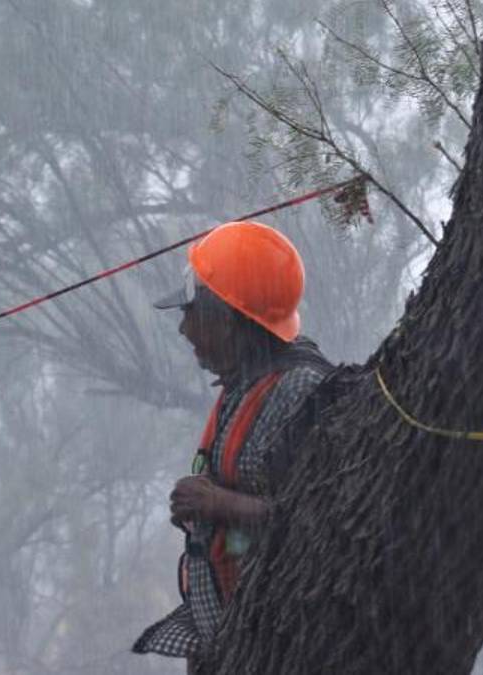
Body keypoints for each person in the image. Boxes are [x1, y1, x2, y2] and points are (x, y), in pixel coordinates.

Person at [132, 221, 334, 671]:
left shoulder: (302, 393)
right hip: (237, 642)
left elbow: (319, 521)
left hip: (281, 646)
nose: (183, 329)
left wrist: (218, 504)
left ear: (226, 320)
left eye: (191, 313)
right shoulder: (246, 384)